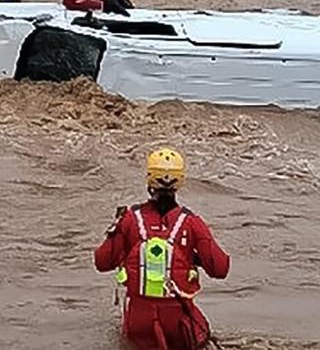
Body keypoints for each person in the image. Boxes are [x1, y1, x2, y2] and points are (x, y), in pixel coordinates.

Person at [94, 148, 230, 350]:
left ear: (149, 179)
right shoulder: (192, 222)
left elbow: (102, 262)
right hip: (178, 321)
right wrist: (194, 258)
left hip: (138, 321)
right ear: (180, 182)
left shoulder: (129, 218)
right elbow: (220, 269)